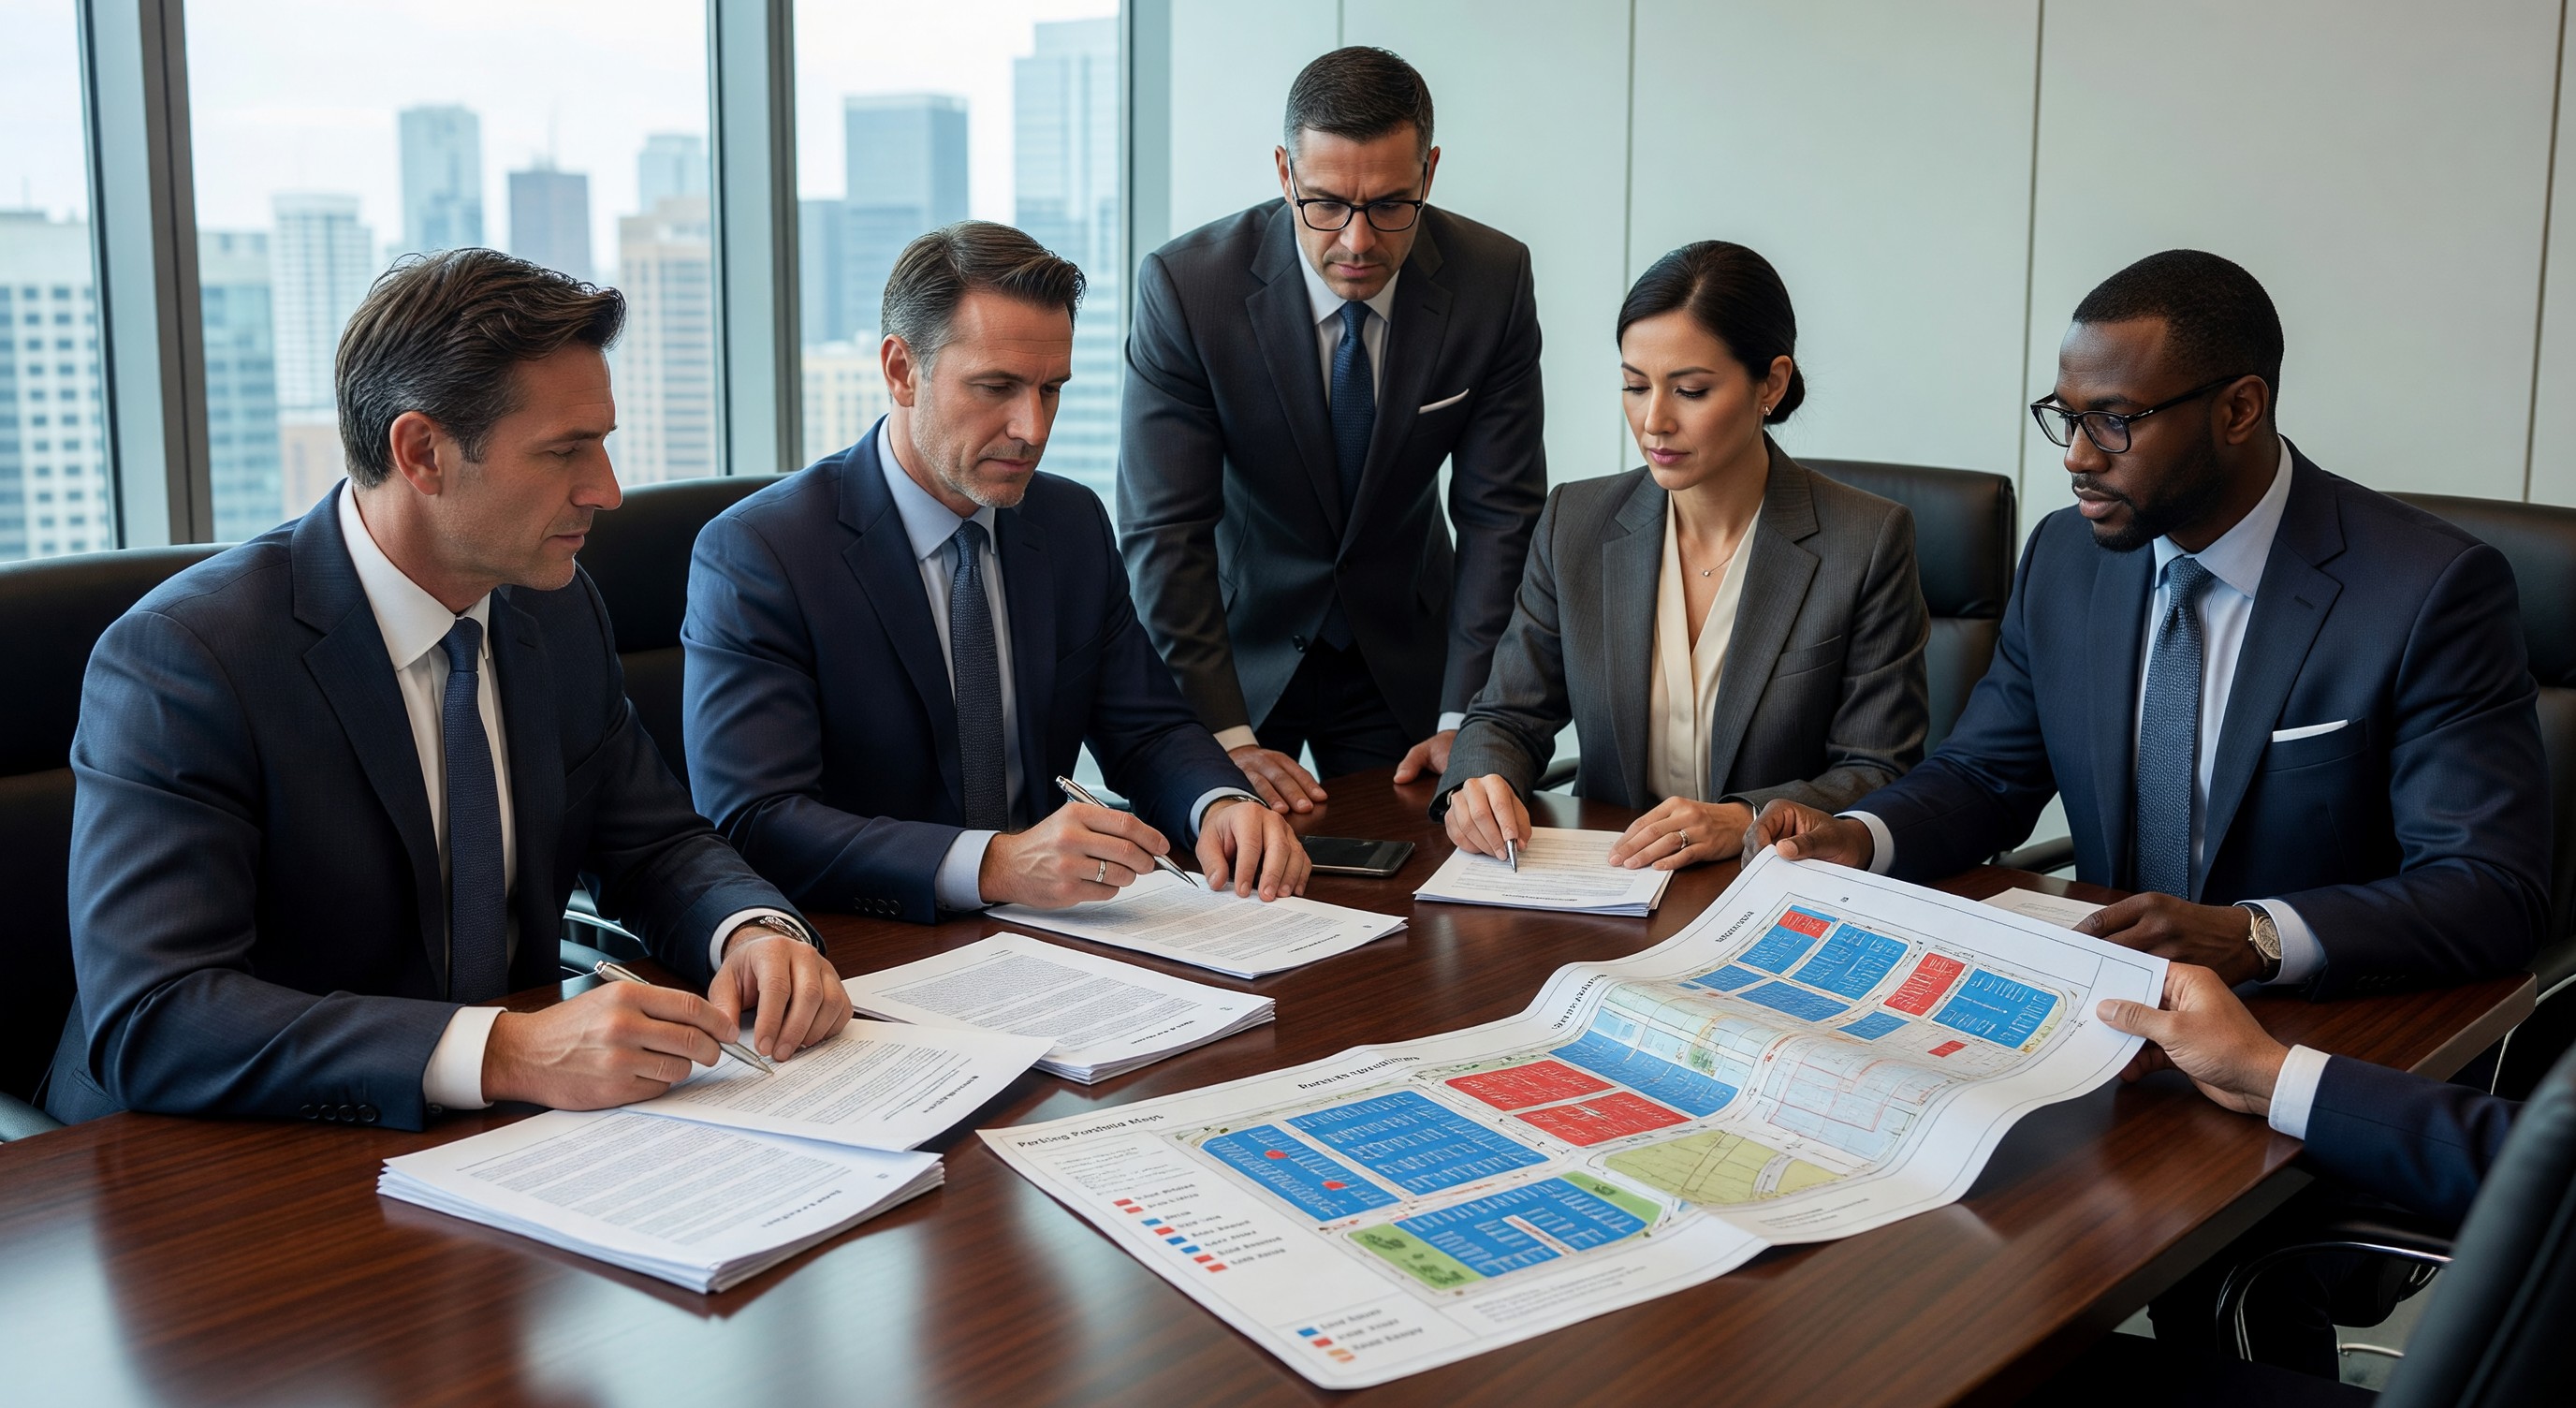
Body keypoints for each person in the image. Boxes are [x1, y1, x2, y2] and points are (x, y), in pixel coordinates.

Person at [42, 250, 848, 1131]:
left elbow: (651, 842)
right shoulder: (186, 658)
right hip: (219, 1160)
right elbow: (159, 1015)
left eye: (605, 444)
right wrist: (505, 1049)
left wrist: (752, 931)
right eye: (563, 453)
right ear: (421, 452)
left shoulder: (555, 605)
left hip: (495, 1138)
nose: (607, 490)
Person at [1747, 249, 2550, 997]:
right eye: (2066, 418)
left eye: (2114, 420)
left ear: (2239, 409)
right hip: (2102, 1004)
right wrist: (1859, 836)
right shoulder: (2067, 556)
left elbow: (2488, 889)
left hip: (2314, 1028)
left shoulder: (2426, 590)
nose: (2077, 458)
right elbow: (1986, 775)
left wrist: (2254, 937)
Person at [684, 222, 1307, 924]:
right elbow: (757, 818)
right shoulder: (761, 552)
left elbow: (1148, 731)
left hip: (1054, 934)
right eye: (996, 386)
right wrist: (994, 864)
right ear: (901, 370)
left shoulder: (1068, 522)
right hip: (864, 943)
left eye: (1051, 389)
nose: (1032, 428)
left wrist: (1219, 804)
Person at [1120, 45, 1547, 811]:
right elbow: (1164, 529)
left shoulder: (1493, 280)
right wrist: (1223, 736)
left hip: (1407, 650)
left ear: (1430, 173)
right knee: (1237, 896)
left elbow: (1501, 515)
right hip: (1235, 652)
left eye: (1390, 205)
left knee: (1426, 891)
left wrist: (1470, 717)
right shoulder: (1189, 288)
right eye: (1325, 204)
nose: (1357, 242)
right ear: (1284, 173)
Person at [1437, 242, 1929, 870]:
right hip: (1613, 886)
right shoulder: (1575, 525)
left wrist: (1745, 818)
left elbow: (1879, 768)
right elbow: (1506, 715)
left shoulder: (1864, 541)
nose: (1654, 421)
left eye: (1690, 391)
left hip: (1771, 887)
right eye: (1635, 386)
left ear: (1771, 384)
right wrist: (1481, 781)